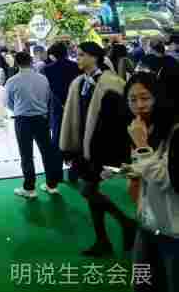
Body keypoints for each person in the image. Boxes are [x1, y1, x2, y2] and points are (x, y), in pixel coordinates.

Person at [60, 42, 137, 257]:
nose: (77, 58)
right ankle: (104, 240)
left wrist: (110, 156)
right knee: (91, 193)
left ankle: (126, 224)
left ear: (94, 57)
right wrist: (71, 147)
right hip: (84, 149)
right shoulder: (79, 83)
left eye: (81, 55)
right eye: (77, 54)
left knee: (88, 191)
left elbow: (118, 124)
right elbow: (74, 117)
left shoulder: (112, 84)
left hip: (103, 150)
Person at [123, 72, 179, 291]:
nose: (139, 105)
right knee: (142, 282)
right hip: (148, 222)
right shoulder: (146, 127)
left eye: (145, 98)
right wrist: (133, 170)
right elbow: (150, 168)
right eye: (132, 99)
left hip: (173, 229)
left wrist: (141, 146)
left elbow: (168, 179)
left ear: (158, 97)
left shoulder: (174, 131)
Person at [5, 52, 63, 199]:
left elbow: (9, 103)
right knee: (47, 152)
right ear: (31, 62)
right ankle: (52, 185)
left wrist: (20, 109)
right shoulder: (43, 79)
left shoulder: (12, 81)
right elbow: (47, 98)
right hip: (41, 119)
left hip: (22, 120)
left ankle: (29, 189)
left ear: (16, 63)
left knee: (26, 155)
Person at [43, 43, 80, 161]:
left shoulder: (47, 69)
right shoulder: (76, 66)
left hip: (56, 104)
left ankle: (57, 163)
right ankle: (75, 164)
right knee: (75, 132)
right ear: (66, 52)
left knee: (57, 133)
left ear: (53, 55)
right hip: (75, 102)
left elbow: (46, 90)